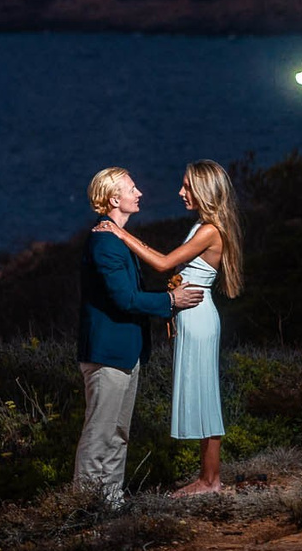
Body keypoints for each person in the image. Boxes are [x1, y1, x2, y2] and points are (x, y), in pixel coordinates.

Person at [109, 160, 244, 495]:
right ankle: (207, 477)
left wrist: (120, 233)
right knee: (200, 392)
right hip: (191, 317)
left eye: (186, 186)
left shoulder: (209, 230)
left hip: (199, 318)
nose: (180, 192)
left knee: (206, 395)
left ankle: (210, 480)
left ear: (203, 189)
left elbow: (165, 263)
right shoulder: (203, 225)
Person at [77, 166, 206, 506]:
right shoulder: (105, 243)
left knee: (118, 433)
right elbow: (123, 299)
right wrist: (168, 301)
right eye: (132, 188)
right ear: (113, 198)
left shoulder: (115, 239)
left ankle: (111, 500)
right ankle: (86, 505)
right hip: (108, 353)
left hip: (125, 352)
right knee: (100, 432)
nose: (140, 193)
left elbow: (128, 294)